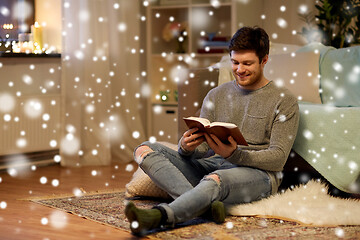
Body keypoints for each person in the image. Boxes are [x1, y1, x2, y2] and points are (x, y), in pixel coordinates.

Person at [125, 26, 300, 236]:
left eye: (247, 63)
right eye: (235, 62)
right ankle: (205, 206)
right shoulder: (216, 95)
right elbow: (205, 149)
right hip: (213, 164)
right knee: (144, 149)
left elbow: (278, 158)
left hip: (259, 175)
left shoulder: (284, 100)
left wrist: (236, 155)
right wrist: (186, 148)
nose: (240, 69)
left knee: (216, 179)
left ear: (264, 60)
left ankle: (160, 217)